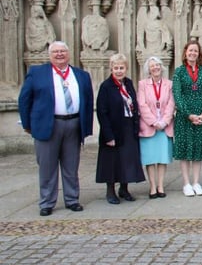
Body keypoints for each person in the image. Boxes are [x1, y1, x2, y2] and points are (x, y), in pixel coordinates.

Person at [18, 41, 94, 216]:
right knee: (47, 166)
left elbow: (88, 101)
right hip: (48, 124)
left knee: (71, 165)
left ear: (68, 53)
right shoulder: (37, 73)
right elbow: (24, 99)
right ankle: (47, 202)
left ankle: (72, 199)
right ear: (49, 54)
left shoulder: (81, 75)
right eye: (56, 52)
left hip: (73, 124)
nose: (59, 54)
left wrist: (86, 127)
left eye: (63, 51)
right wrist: (27, 124)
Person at [95, 53, 145, 204]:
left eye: (121, 68)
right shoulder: (106, 86)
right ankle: (110, 191)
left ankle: (124, 188)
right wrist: (108, 135)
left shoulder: (128, 83)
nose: (119, 71)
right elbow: (102, 112)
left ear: (126, 68)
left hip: (128, 126)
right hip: (113, 129)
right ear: (111, 69)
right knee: (112, 162)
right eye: (116, 68)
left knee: (127, 160)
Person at [173, 40, 202, 196]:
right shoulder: (179, 72)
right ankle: (186, 183)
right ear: (185, 52)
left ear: (199, 54)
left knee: (198, 150)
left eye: (195, 51)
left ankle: (196, 182)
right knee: (185, 150)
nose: (193, 53)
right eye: (190, 50)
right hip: (185, 117)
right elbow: (177, 95)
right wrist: (189, 115)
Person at [137, 56, 174, 199]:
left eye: (157, 65)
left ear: (162, 67)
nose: (155, 68)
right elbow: (142, 104)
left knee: (162, 157)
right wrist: (153, 122)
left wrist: (164, 121)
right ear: (148, 69)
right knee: (150, 158)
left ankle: (161, 185)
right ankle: (152, 186)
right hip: (149, 126)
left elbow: (171, 104)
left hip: (164, 126)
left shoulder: (169, 84)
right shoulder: (143, 84)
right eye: (152, 66)